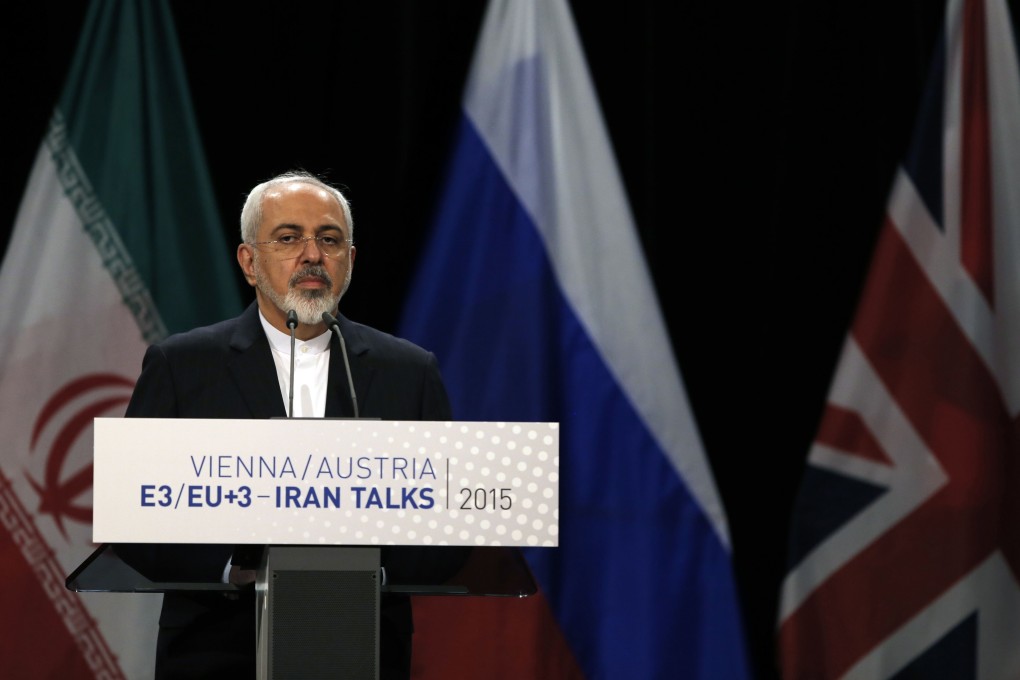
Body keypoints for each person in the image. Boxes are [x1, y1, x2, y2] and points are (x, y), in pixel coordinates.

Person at [113, 170, 459, 679]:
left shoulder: (408, 371)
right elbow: (132, 514)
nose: (313, 254)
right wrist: (231, 568)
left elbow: (448, 521)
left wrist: (369, 573)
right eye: (289, 238)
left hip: (362, 650)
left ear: (350, 261)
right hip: (218, 652)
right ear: (250, 262)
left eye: (329, 239)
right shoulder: (183, 365)